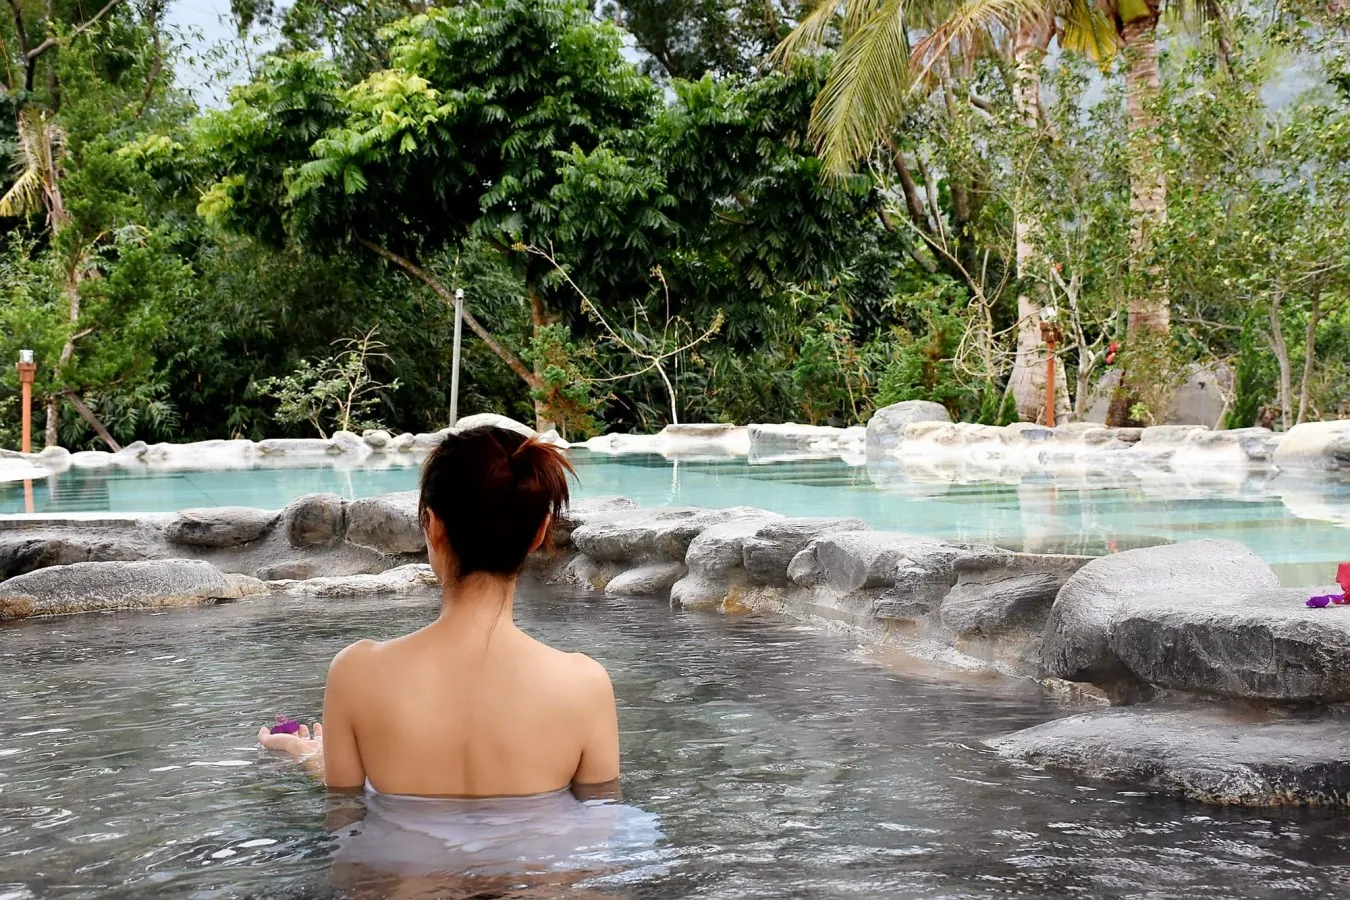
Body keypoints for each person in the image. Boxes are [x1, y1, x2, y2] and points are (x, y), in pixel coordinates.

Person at [257, 425, 621, 799]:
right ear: (539, 532)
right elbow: (597, 821)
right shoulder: (585, 685)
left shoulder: (356, 674)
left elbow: (347, 812)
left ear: (432, 526)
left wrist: (315, 758)